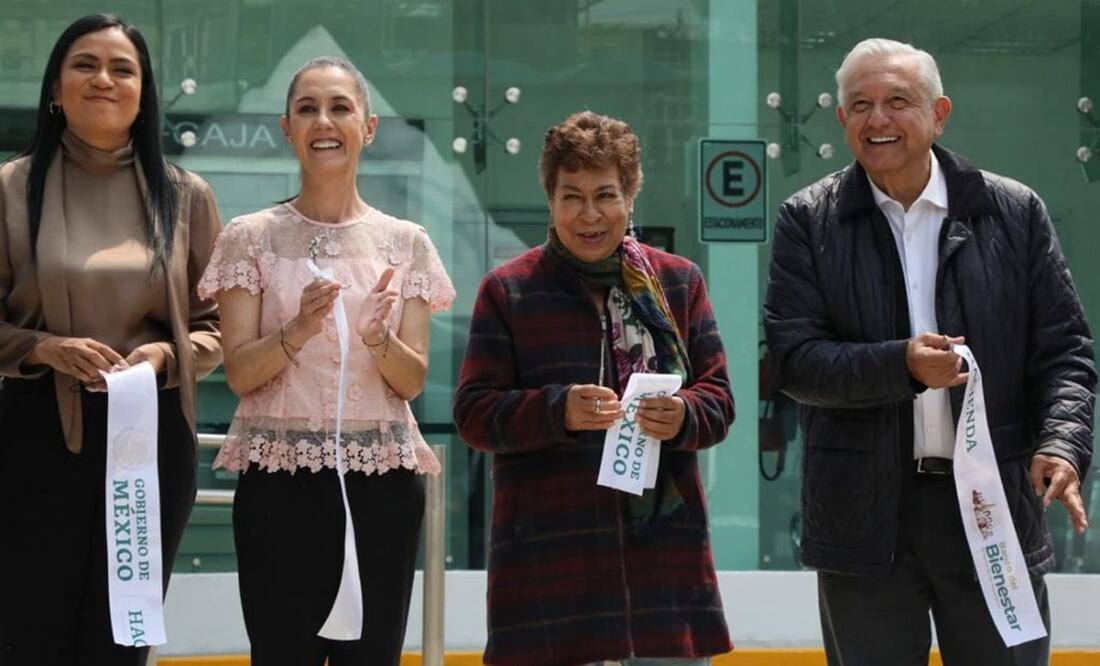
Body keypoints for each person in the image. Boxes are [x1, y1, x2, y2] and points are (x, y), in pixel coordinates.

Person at [764, 37, 1096, 666]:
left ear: (939, 113)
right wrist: (902, 366)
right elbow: (794, 361)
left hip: (992, 504)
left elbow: (1065, 354)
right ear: (840, 121)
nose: (877, 119)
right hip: (861, 515)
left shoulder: (1013, 212)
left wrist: (1061, 443)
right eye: (859, 104)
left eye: (898, 101)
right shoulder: (807, 220)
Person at [198, 56, 455, 666]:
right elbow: (239, 373)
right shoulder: (249, 236)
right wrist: (299, 328)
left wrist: (376, 338)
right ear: (287, 129)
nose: (324, 120)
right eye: (307, 108)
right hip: (280, 485)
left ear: (367, 127)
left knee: (372, 657)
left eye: (339, 107)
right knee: (281, 654)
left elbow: (411, 378)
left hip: (381, 485)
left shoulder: (406, 242)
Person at [454, 110, 734, 666]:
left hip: (661, 569)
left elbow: (719, 399)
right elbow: (473, 413)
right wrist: (558, 411)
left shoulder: (678, 283)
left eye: (605, 195)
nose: (589, 215)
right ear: (550, 201)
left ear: (631, 196)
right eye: (570, 197)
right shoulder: (509, 291)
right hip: (549, 566)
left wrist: (682, 415)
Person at [0, 13, 223, 666]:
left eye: (122, 68)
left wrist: (160, 356)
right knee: (27, 635)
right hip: (32, 442)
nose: (104, 79)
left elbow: (218, 332)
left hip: (148, 447)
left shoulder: (185, 197)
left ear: (143, 93)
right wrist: (41, 349)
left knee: (118, 642)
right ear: (54, 89)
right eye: (85, 64)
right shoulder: (10, 190)